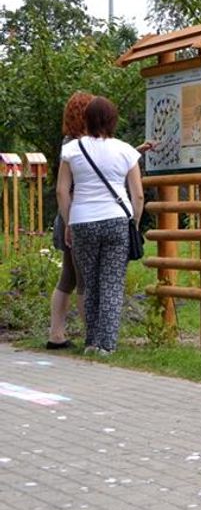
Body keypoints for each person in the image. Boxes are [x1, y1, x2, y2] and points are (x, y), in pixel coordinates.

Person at [55, 96, 144, 357]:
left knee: (90, 283)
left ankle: (92, 342)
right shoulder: (127, 150)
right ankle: (107, 344)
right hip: (117, 220)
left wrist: (69, 221)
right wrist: (134, 223)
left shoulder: (72, 150)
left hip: (82, 220)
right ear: (113, 120)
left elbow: (62, 191)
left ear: (87, 120)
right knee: (112, 283)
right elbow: (137, 194)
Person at [47, 92, 94, 350]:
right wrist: (70, 224)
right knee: (83, 279)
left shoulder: (69, 143)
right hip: (76, 218)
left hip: (65, 217)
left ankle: (56, 333)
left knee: (68, 277)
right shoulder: (76, 146)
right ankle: (91, 336)